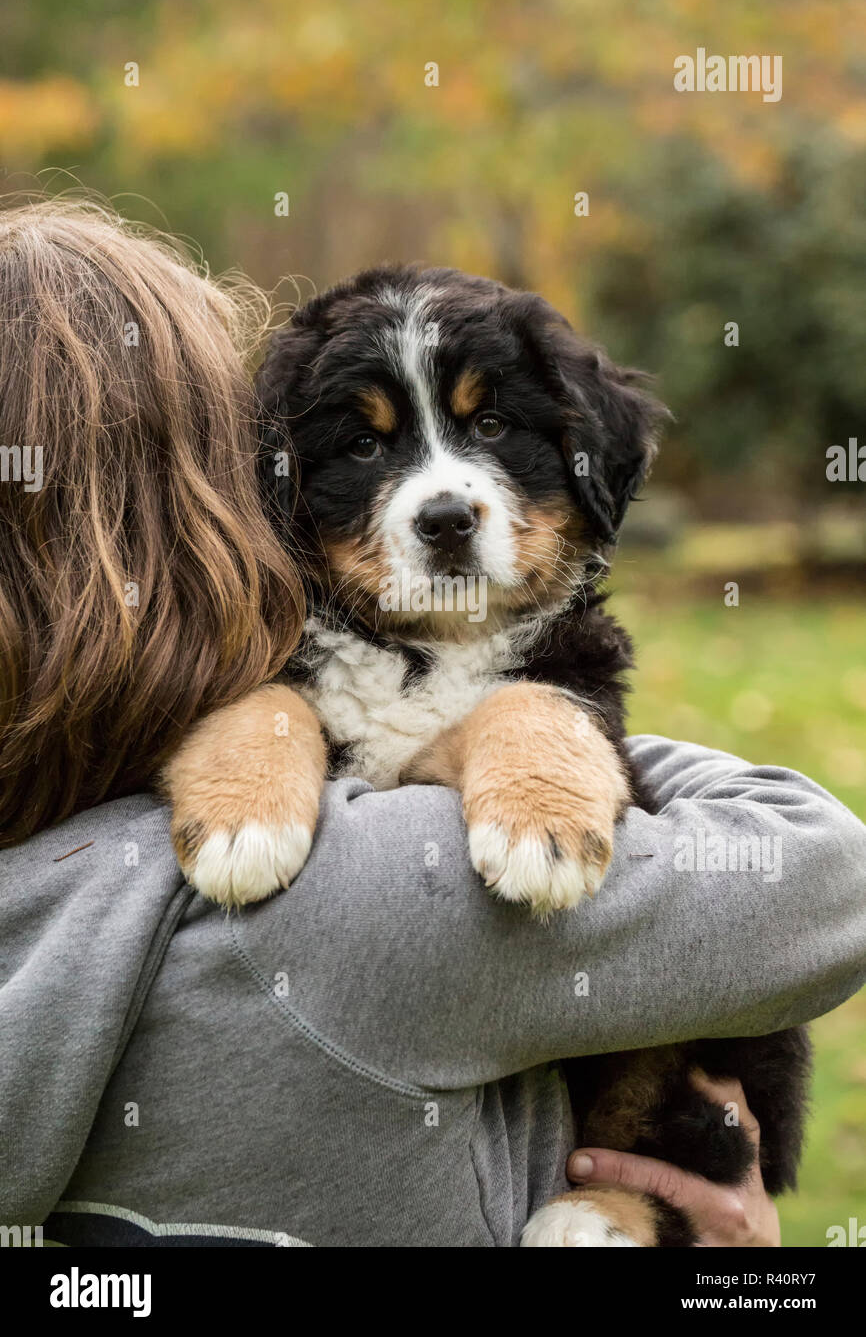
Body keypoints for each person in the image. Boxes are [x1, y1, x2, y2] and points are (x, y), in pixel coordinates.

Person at [1, 199, 864, 1247]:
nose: (441, 494)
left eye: (489, 426)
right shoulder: (376, 908)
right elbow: (818, 887)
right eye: (363, 450)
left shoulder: (73, 862)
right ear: (240, 505)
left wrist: (523, 727)